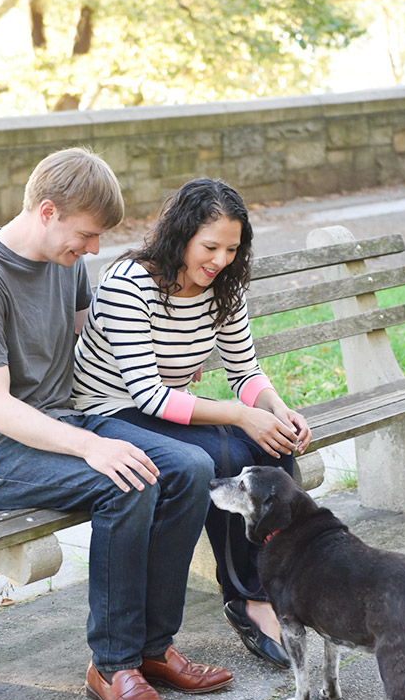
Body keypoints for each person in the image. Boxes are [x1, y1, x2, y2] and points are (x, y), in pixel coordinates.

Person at [0, 147, 233, 700]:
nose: (94, 250)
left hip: (64, 421)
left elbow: (91, 351)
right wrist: (95, 447)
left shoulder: (67, 262)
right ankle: (113, 663)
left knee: (190, 467)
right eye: (88, 235)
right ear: (47, 212)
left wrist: (167, 370)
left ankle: (153, 647)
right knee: (123, 483)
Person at [71, 178, 312, 669]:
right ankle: (247, 599)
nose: (220, 260)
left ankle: (273, 587)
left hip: (167, 405)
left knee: (273, 449)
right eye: (209, 246)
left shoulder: (223, 287)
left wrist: (275, 408)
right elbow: (148, 396)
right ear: (180, 234)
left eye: (231, 248)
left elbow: (244, 369)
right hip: (110, 409)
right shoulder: (129, 285)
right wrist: (243, 416)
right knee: (222, 454)